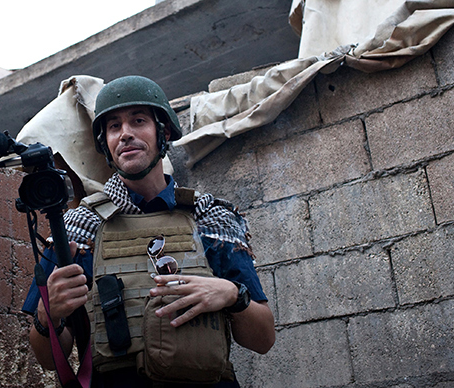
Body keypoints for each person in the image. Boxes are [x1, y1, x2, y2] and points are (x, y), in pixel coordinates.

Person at [22, 75, 275, 387]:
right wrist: (50, 318)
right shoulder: (77, 228)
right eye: (114, 126)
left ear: (163, 132)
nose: (125, 134)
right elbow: (48, 359)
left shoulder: (211, 218)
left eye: (138, 121)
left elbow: (263, 339)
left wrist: (232, 296)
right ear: (104, 143)